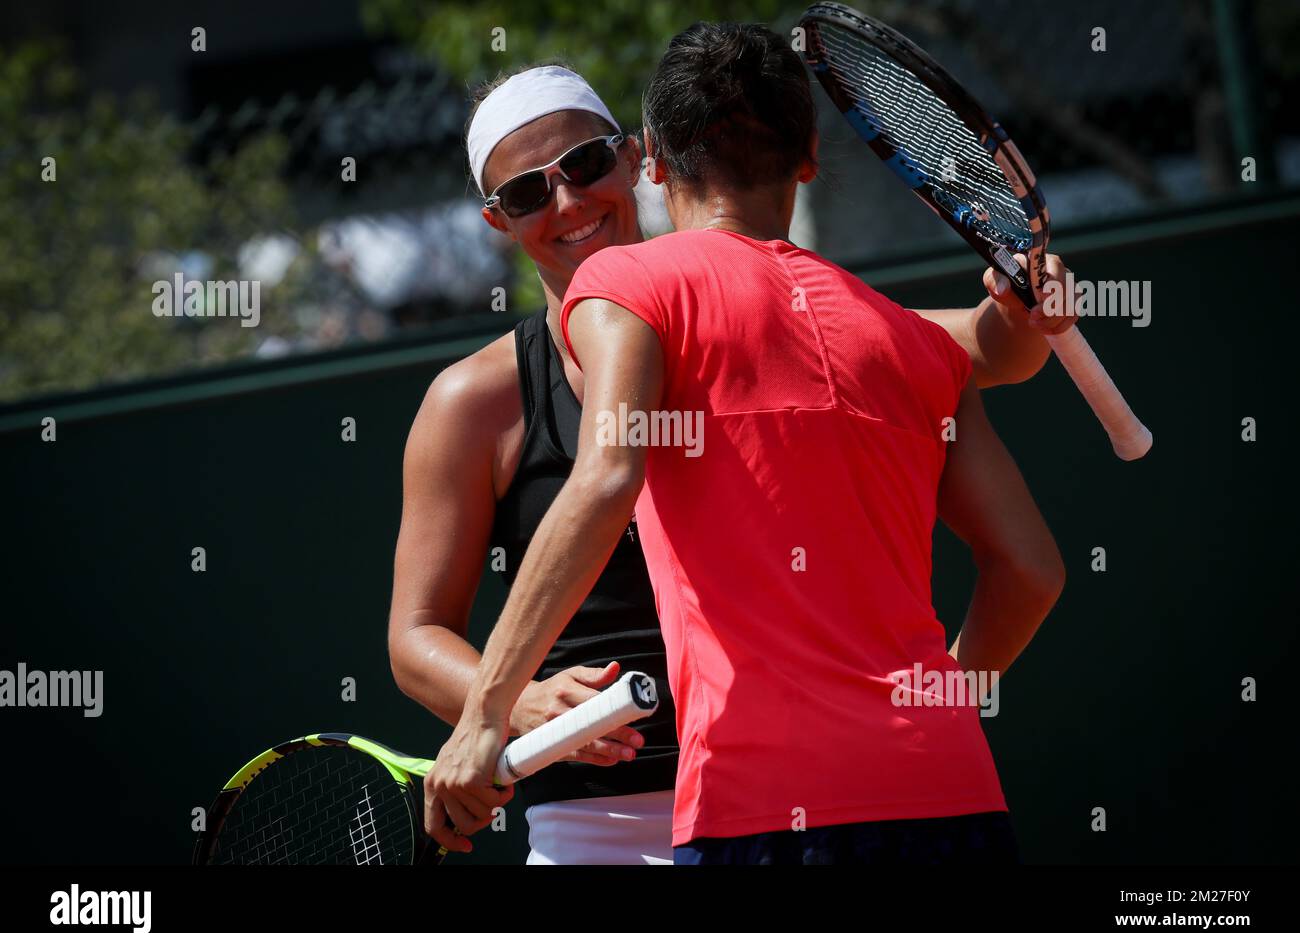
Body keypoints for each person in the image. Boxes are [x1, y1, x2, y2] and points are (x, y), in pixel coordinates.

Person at [399, 44, 1069, 864]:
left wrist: (1023, 308)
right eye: (527, 190)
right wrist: (514, 704)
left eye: (583, 163)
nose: (568, 199)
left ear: (639, 157)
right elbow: (415, 632)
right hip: (622, 827)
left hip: (747, 811)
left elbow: (986, 353)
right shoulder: (472, 401)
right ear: (497, 219)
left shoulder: (761, 304)